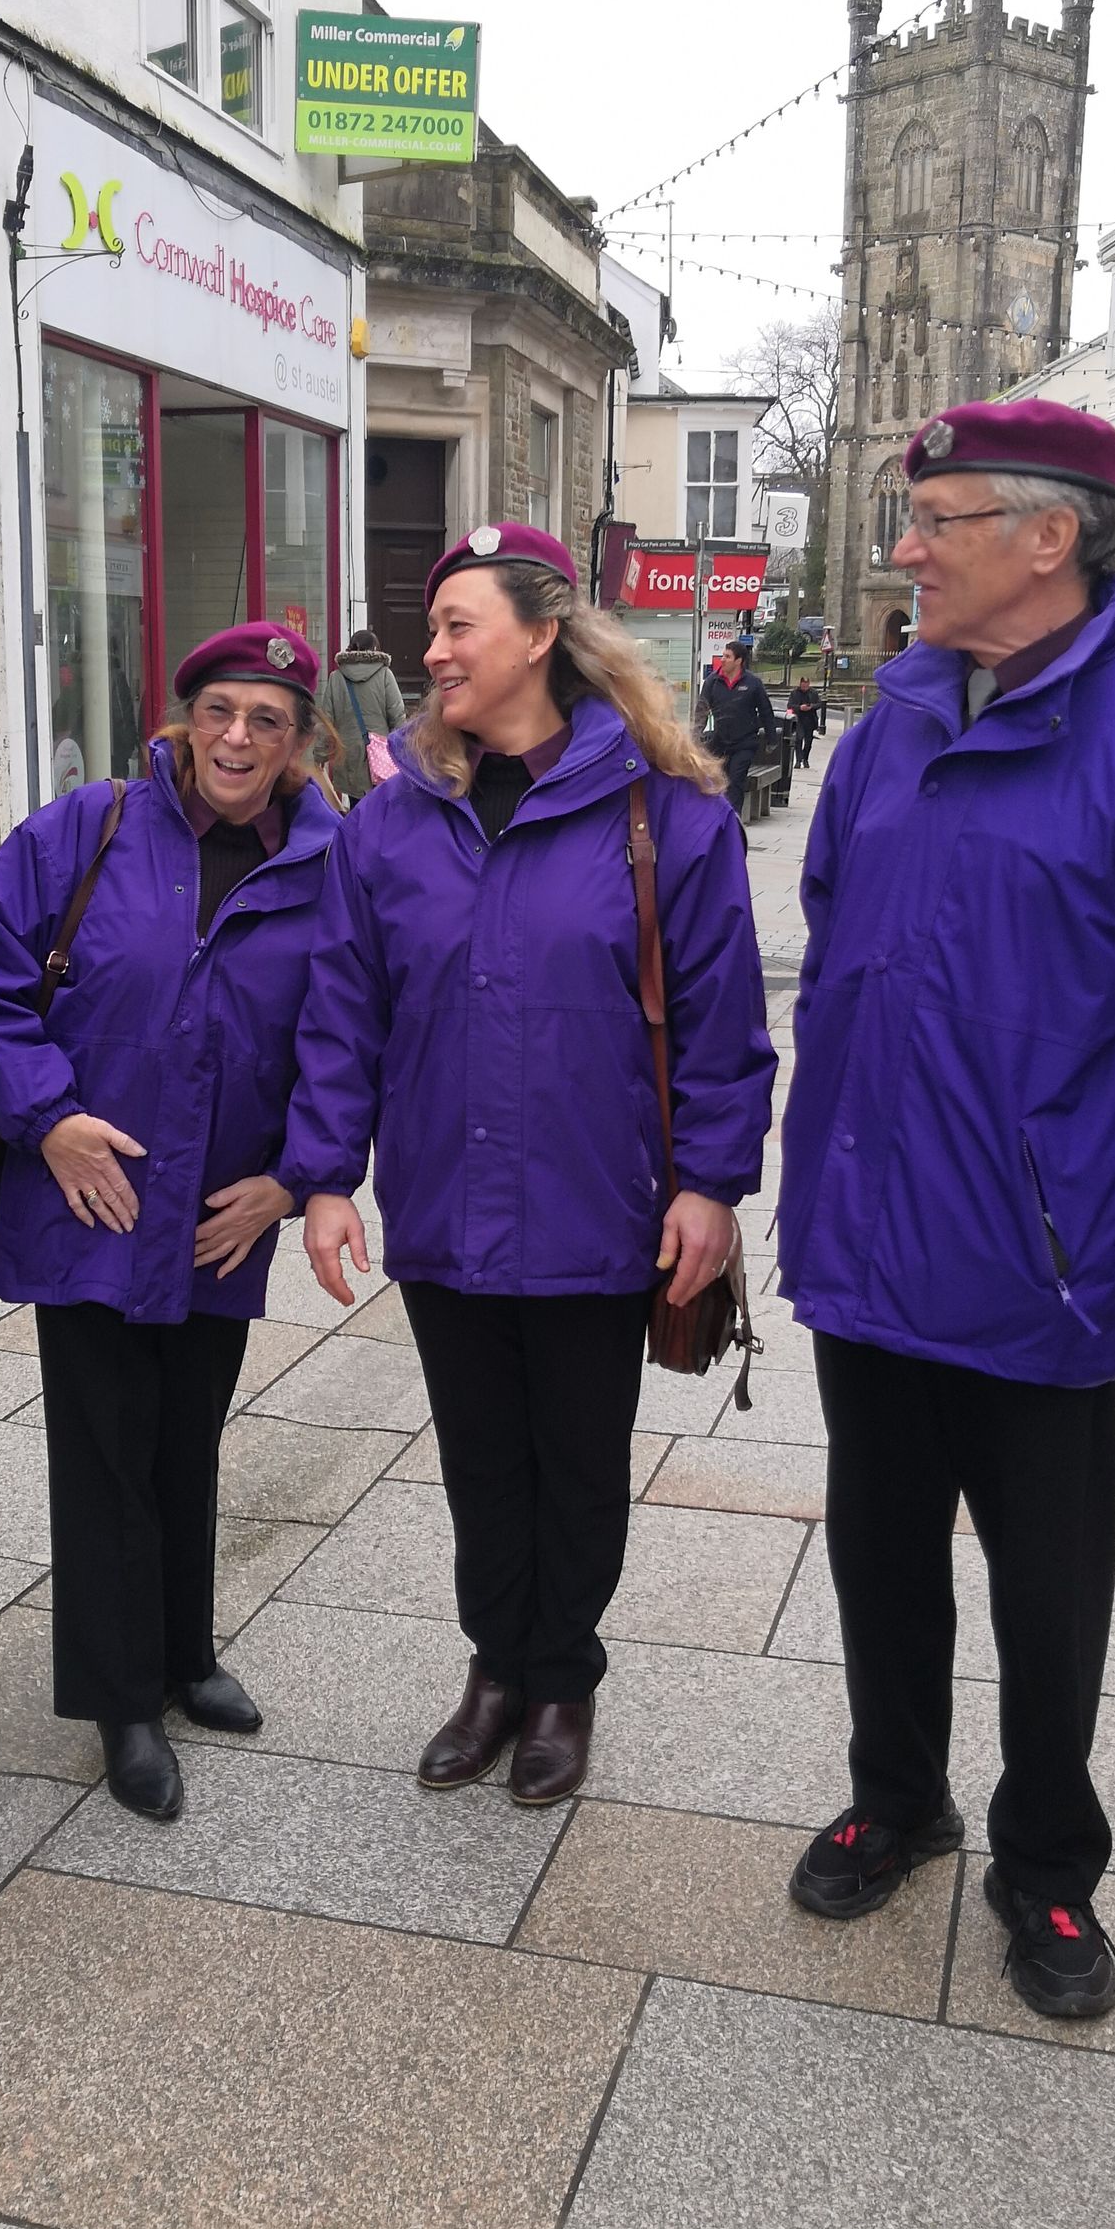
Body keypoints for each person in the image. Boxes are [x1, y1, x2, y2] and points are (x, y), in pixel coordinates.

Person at [778, 399, 1115, 2019]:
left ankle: (1049, 1861)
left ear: (1048, 538)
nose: (905, 551)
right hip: (872, 1252)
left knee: (1049, 1591)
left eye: (935, 521)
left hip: (1049, 1273)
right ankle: (898, 1796)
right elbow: (838, 944)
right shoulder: (889, 728)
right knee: (880, 1556)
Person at [282, 523, 774, 1805]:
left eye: (460, 626)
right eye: (434, 628)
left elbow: (723, 1022)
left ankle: (562, 1677)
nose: (434, 650)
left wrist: (710, 1186)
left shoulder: (666, 813)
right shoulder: (393, 821)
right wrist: (326, 1176)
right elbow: (342, 1013)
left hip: (597, 1206)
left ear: (543, 633)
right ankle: (496, 1666)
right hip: (445, 1203)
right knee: (481, 1459)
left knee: (579, 1459)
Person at [0, 623, 339, 1821]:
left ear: (300, 742)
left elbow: (348, 1033)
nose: (238, 737)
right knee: (107, 1451)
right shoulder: (87, 828)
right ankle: (121, 1699)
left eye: (267, 720)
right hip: (94, 1199)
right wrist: (47, 1119)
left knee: (189, 1436)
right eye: (219, 710)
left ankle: (183, 1653)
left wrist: (295, 1178)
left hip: (224, 1210)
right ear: (180, 720)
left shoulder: (330, 862)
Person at [316, 628, 406, 803]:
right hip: (381, 757)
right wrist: (401, 753)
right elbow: (398, 717)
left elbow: (326, 722)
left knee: (356, 808)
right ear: (374, 649)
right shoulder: (384, 675)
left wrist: (320, 754)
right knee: (383, 808)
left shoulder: (336, 677)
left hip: (348, 756)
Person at [698, 635, 779, 817]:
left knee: (736, 780)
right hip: (720, 741)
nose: (722, 660)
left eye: (727, 656)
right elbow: (701, 710)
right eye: (723, 655)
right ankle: (717, 817)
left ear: (739, 661)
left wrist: (772, 739)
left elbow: (765, 711)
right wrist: (695, 736)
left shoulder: (753, 683)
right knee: (717, 781)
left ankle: (733, 820)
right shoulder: (713, 681)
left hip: (744, 743)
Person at [786, 674, 823, 768]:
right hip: (799, 719)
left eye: (806, 686)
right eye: (803, 685)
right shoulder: (794, 693)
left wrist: (811, 707)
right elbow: (790, 705)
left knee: (808, 742)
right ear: (800, 684)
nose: (805, 687)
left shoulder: (813, 692)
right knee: (798, 739)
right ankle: (798, 760)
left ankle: (805, 758)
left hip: (810, 720)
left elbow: (819, 704)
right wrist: (799, 707)